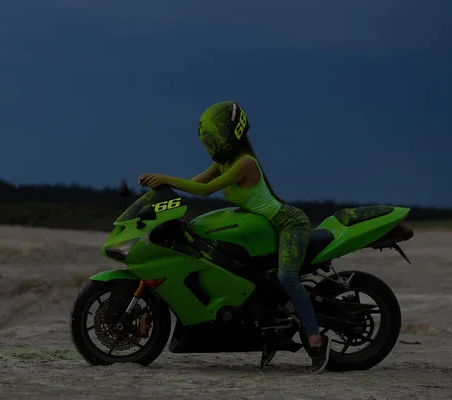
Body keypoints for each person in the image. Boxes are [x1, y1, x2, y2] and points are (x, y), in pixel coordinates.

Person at [138, 100, 331, 373]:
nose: (210, 143)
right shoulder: (225, 162)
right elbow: (197, 182)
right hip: (262, 228)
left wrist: (166, 177)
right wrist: (161, 193)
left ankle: (315, 339)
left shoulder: (245, 163)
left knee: (287, 276)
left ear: (227, 134)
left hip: (288, 224)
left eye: (213, 137)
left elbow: (206, 191)